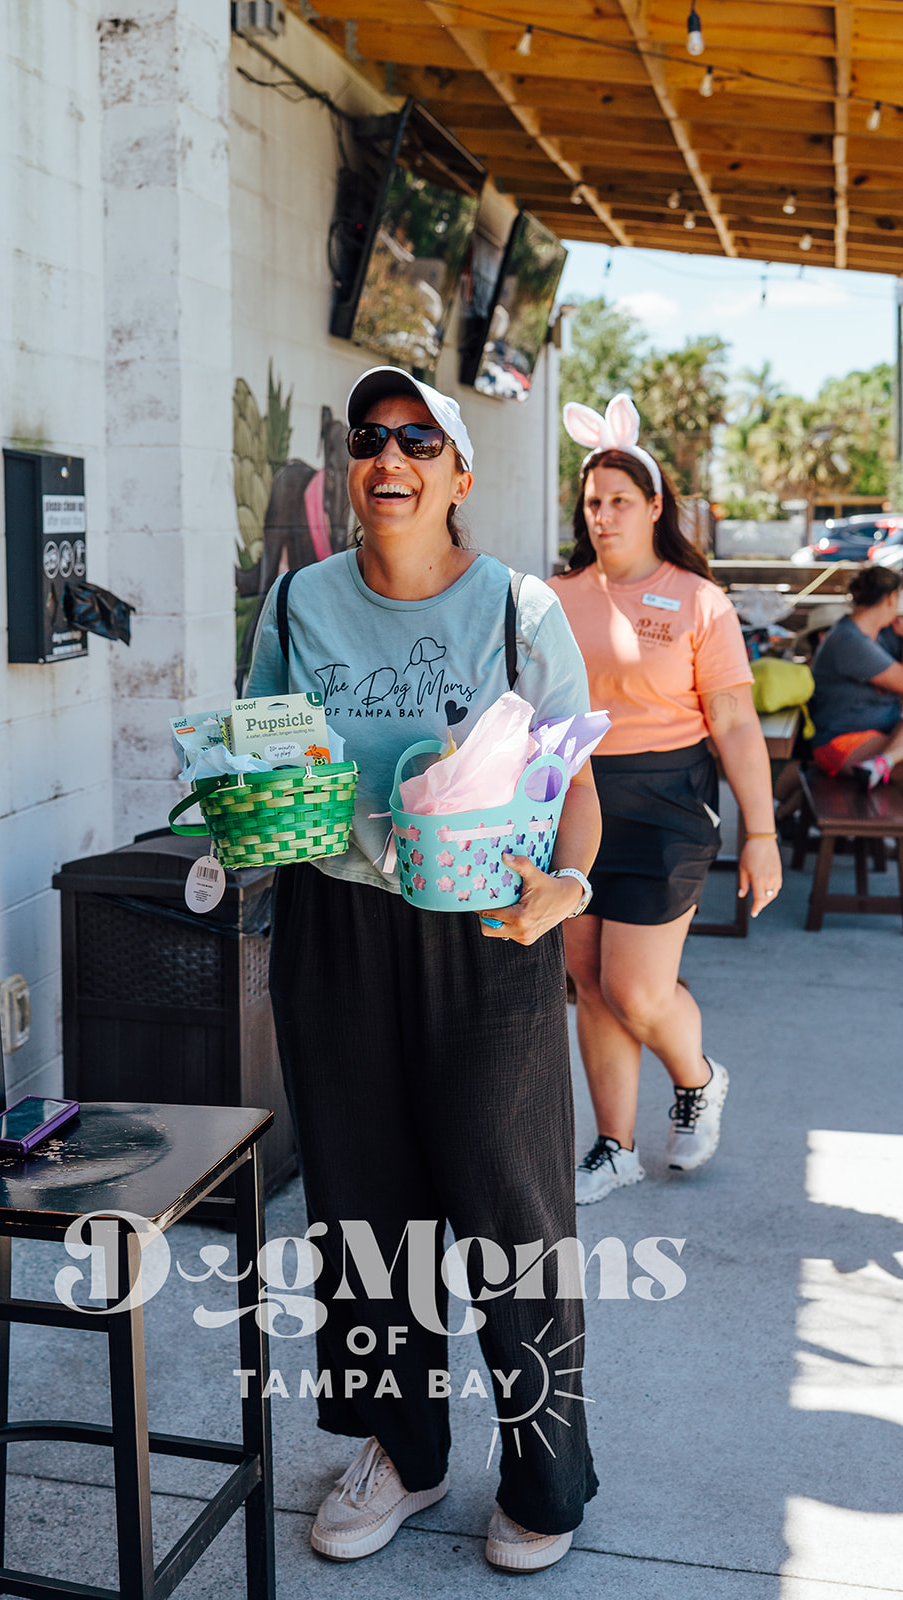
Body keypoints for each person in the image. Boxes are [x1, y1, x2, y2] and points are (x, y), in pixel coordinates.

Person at [246, 365, 601, 1572]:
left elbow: (575, 785)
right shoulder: (296, 603)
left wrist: (567, 887)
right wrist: (242, 810)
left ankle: (545, 1472)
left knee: (511, 1206)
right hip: (335, 926)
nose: (386, 458)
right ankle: (403, 1449)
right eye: (367, 439)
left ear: (459, 474)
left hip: (488, 930)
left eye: (415, 439)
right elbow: (265, 759)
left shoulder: (519, 609)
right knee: (361, 1201)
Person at [546, 395, 781, 1206]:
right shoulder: (553, 596)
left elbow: (735, 722)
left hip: (668, 801)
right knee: (588, 979)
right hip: (574, 799)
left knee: (637, 989)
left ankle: (697, 1077)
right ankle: (612, 1147)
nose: (603, 515)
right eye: (592, 502)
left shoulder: (697, 600)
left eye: (619, 500)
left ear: (653, 507)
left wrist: (761, 833)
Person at [808, 565, 903, 789]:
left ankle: (884, 761)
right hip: (842, 742)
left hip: (878, 735)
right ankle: (884, 763)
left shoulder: (880, 635)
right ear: (890, 598)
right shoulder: (849, 640)